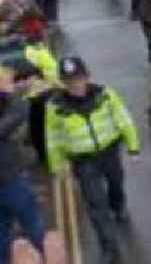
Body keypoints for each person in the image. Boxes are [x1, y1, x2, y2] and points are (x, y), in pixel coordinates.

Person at [45, 57, 140, 264]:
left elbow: (124, 119)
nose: (75, 85)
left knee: (116, 184)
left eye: (78, 78)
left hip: (109, 152)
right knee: (96, 204)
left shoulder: (105, 95)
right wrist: (57, 167)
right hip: (83, 161)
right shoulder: (55, 107)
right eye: (69, 81)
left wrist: (133, 147)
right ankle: (109, 247)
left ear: (87, 76)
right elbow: (53, 139)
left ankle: (119, 205)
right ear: (63, 82)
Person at [0, 65, 46, 264]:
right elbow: (17, 112)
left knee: (30, 227)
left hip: (10, 177)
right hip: (10, 178)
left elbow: (16, 109)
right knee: (27, 225)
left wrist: (11, 90)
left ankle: (42, 255)